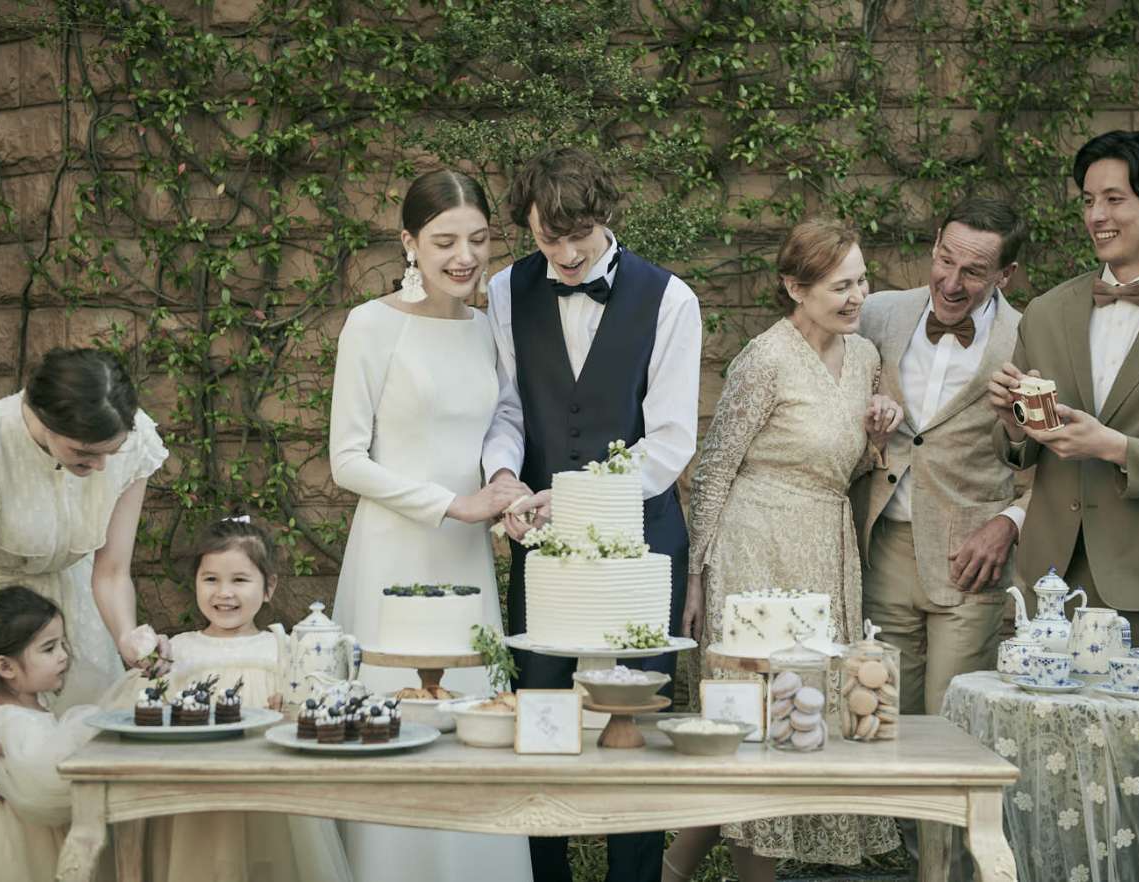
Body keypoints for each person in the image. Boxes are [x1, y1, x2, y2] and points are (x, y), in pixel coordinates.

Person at [483, 146, 702, 882]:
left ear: (607, 216)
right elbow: (508, 409)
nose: (569, 255)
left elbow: (669, 441)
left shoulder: (671, 300)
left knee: (631, 732)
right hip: (545, 550)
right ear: (528, 227)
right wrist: (504, 475)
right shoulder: (506, 291)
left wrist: (579, 495)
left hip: (642, 544)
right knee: (540, 721)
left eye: (581, 236)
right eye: (551, 239)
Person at [665, 219, 901, 882]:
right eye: (841, 286)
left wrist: (880, 435)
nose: (858, 296)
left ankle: (668, 872)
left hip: (824, 549)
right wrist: (696, 577)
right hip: (755, 552)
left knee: (798, 722)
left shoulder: (866, 358)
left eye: (862, 281)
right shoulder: (763, 360)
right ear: (796, 288)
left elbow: (846, 463)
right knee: (755, 727)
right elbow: (714, 470)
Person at [329, 169, 534, 882]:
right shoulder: (371, 325)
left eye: (478, 239)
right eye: (445, 241)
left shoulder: (487, 328)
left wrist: (502, 484)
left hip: (466, 558)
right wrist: (451, 504)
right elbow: (346, 460)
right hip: (393, 553)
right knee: (395, 721)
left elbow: (501, 421)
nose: (464, 257)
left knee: (472, 722)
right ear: (409, 242)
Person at [989, 130, 1139, 645]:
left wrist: (1114, 447)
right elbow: (1020, 447)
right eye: (1088, 200)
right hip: (1050, 585)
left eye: (1115, 199)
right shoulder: (1046, 312)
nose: (1096, 216)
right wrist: (1014, 424)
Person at [0, 347, 169, 803]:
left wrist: (126, 637)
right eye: (85, 454)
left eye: (110, 453)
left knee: (92, 758)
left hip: (80, 599)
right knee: (16, 769)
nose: (101, 467)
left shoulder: (129, 437)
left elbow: (111, 572)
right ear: (43, 419)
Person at [852, 197, 1033, 718]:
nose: (951, 283)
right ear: (934, 245)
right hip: (881, 548)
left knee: (955, 722)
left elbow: (1055, 459)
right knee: (883, 716)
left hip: (971, 561)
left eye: (973, 271)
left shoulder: (1028, 337)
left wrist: (1010, 522)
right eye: (945, 260)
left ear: (1005, 274)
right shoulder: (878, 314)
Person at [105, 516, 352, 881]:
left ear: (268, 587)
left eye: (239, 580)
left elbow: (311, 710)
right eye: (211, 579)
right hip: (192, 792)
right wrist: (151, 672)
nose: (224, 593)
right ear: (194, 582)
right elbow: (147, 716)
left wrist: (287, 711)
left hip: (267, 791)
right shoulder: (178, 651)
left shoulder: (284, 650)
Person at [0, 586, 105, 882]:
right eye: (49, 649)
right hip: (24, 848)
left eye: (62, 644)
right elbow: (45, 787)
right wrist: (84, 731)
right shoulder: (13, 725)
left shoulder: (26, 709)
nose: (63, 656)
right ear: (5, 667)